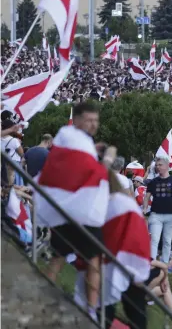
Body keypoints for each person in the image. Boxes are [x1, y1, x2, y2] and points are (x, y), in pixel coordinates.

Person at [38, 101, 115, 316]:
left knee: (63, 257)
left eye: (96, 121)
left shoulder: (70, 139)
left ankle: (44, 293)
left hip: (69, 209)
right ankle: (90, 310)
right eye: (89, 120)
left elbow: (79, 166)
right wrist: (107, 160)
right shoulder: (75, 140)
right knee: (91, 261)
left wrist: (94, 150)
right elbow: (94, 173)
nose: (93, 124)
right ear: (78, 119)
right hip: (81, 211)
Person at [143, 156, 172, 263]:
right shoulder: (153, 182)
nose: (158, 167)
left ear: (167, 166)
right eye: (156, 165)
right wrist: (144, 208)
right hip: (155, 214)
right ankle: (152, 263)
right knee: (154, 240)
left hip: (170, 215)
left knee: (167, 241)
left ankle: (164, 264)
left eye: (160, 165)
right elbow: (147, 197)